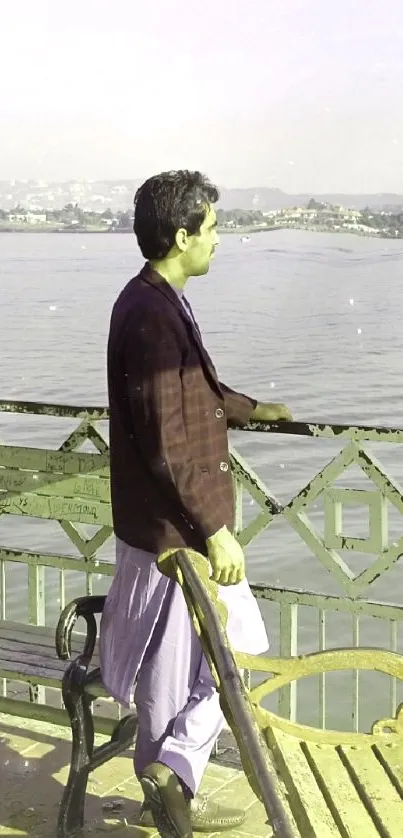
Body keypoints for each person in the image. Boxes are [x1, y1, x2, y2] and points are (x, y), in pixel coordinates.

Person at [99, 170, 293, 838]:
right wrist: (216, 531)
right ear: (181, 235)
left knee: (169, 673)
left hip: (158, 528)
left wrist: (251, 409)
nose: (218, 239)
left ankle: (168, 791)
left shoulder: (151, 299)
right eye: (211, 228)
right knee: (241, 651)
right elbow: (166, 439)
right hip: (177, 532)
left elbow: (191, 394)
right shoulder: (152, 316)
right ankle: (173, 771)